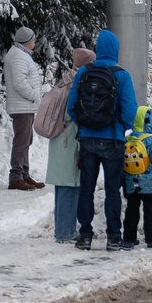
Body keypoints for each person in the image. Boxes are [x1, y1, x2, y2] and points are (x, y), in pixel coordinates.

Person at [67, 29, 140, 251]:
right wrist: (120, 128)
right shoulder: (122, 75)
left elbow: (71, 106)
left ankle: (85, 235)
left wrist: (85, 124)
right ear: (116, 50)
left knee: (87, 188)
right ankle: (113, 237)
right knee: (111, 189)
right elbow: (130, 112)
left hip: (87, 139)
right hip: (112, 140)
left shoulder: (84, 72)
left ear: (98, 49)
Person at [44, 45, 94, 243]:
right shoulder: (76, 83)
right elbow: (71, 114)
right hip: (68, 140)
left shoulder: (64, 79)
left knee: (62, 187)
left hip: (60, 140)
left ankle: (62, 229)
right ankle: (65, 232)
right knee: (69, 187)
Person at [121, 106, 152, 249]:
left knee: (131, 210)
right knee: (149, 211)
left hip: (131, 183)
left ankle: (128, 239)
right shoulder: (151, 141)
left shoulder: (128, 138)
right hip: (149, 185)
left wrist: (123, 180)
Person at [3, 27, 44, 190]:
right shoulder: (19, 56)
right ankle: (16, 177)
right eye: (33, 40)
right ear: (28, 41)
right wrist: (35, 95)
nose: (35, 43)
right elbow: (19, 83)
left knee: (26, 140)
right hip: (22, 106)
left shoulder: (20, 54)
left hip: (24, 105)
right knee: (21, 141)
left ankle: (24, 174)